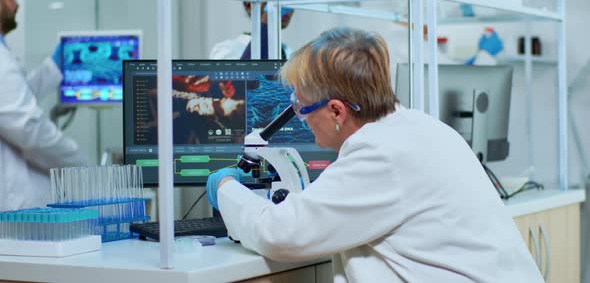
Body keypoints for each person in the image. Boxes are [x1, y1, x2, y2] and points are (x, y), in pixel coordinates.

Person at [206, 27, 543, 282]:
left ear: (336, 111)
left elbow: (279, 234)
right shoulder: (420, 128)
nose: (301, 117)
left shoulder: (380, 156)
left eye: (300, 106)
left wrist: (225, 189)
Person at [0, 0, 89, 211]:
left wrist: (53, 68)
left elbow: (14, 101)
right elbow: (27, 127)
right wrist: (82, 164)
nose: (16, 5)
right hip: (13, 207)